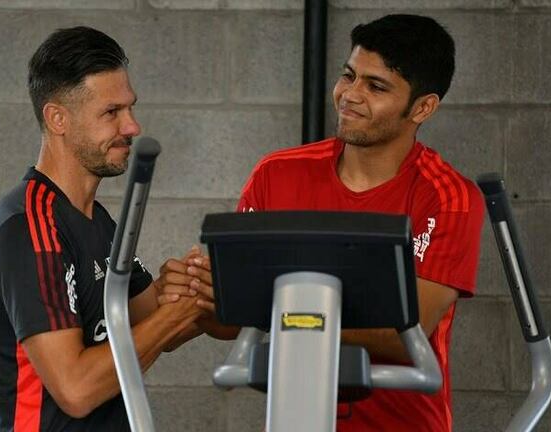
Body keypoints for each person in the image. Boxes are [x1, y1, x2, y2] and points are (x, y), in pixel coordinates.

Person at [168, 13, 485, 432]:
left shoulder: (449, 197)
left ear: (422, 107)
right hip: (293, 417)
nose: (349, 95)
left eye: (375, 87)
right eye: (349, 75)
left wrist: (263, 300)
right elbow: (231, 322)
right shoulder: (275, 173)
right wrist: (202, 293)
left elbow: (405, 333)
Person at [0, 27, 207, 431]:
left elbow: (144, 320)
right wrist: (172, 316)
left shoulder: (96, 221)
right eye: (112, 112)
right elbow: (76, 390)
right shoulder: (30, 228)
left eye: (130, 108)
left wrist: (192, 289)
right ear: (58, 118)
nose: (132, 126)